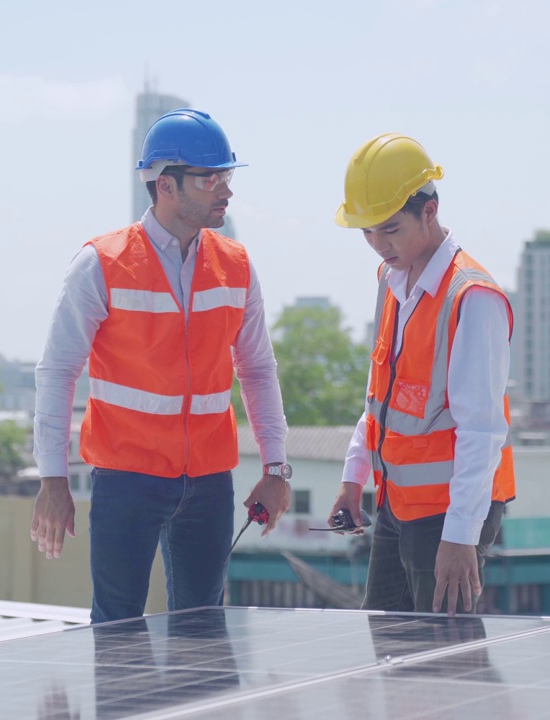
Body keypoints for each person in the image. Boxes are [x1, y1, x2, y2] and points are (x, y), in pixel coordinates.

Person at [32, 108, 292, 624]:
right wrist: (53, 480)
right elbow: (57, 372)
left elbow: (258, 369)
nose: (225, 190)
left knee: (203, 632)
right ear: (165, 185)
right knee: (117, 630)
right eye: (209, 178)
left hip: (210, 480)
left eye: (227, 176)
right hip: (126, 478)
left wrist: (276, 467)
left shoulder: (236, 264)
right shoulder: (100, 263)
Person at [326, 133, 515, 616]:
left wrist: (460, 537)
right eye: (367, 232)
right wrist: (354, 477)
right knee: (389, 646)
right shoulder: (391, 281)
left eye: (390, 229)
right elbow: (379, 397)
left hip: (449, 515)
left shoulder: (472, 299)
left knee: (444, 666)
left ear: (429, 211)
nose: (377, 245)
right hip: (397, 503)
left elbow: (483, 431)